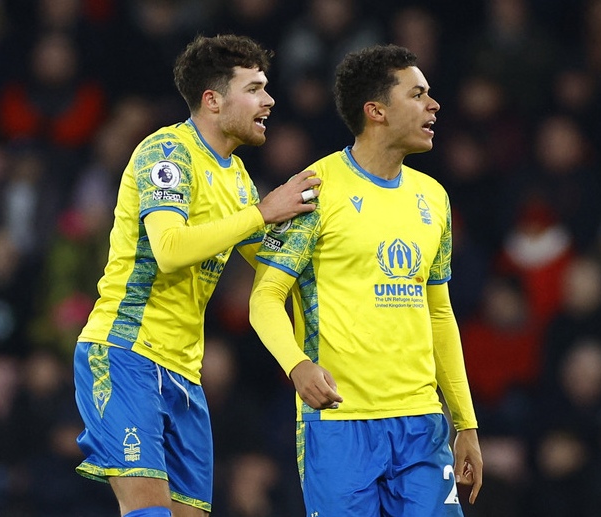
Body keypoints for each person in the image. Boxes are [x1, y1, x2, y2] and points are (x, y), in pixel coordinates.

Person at [72, 33, 322, 517]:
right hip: (125, 353)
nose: (269, 100)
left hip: (185, 373)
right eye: (254, 89)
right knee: (148, 511)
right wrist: (261, 213)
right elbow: (169, 249)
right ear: (213, 100)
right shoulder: (166, 153)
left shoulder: (236, 178)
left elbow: (272, 262)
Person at [249, 44, 483, 516]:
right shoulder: (316, 189)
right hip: (340, 422)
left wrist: (466, 423)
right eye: (417, 95)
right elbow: (266, 297)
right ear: (376, 111)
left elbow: (439, 312)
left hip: (421, 424)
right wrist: (297, 366)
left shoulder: (433, 198)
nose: (433, 105)